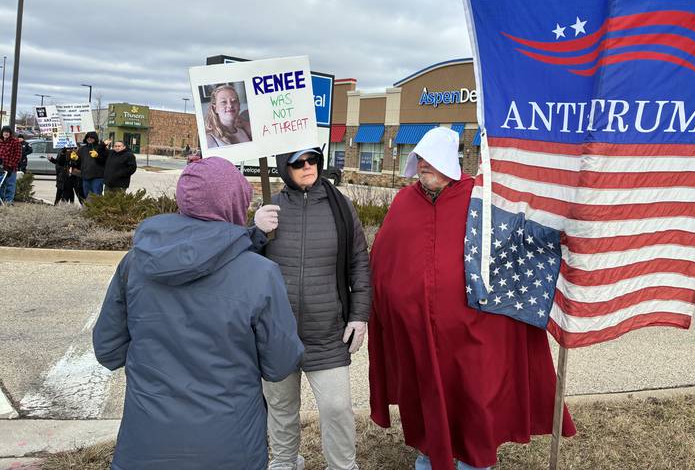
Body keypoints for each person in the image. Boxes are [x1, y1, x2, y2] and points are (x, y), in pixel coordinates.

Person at [368, 127, 576, 470]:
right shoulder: (404, 203)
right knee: (426, 400)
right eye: (420, 159)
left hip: (474, 332)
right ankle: (429, 457)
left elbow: (518, 240)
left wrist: (564, 229)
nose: (424, 166)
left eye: (432, 161)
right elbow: (383, 261)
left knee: (474, 401)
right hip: (418, 334)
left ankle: (474, 464)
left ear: (450, 163)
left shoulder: (479, 199)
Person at [93, 157, 304, 470]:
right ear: (235, 203)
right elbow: (280, 362)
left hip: (145, 446)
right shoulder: (261, 274)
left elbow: (108, 350)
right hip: (231, 447)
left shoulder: (135, 263)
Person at [251, 147, 371, 470]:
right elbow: (246, 264)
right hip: (278, 334)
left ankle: (343, 465)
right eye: (298, 163)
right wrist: (254, 232)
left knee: (336, 409)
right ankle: (285, 462)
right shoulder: (270, 206)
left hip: (327, 335)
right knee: (281, 408)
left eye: (313, 160)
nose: (308, 167)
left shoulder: (340, 207)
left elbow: (359, 261)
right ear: (283, 167)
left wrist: (359, 316)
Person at [78, 131, 107, 197]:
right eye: (88, 137)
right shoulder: (82, 149)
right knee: (87, 195)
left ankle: (97, 208)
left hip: (97, 177)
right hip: (85, 176)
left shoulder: (101, 148)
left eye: (91, 137)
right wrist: (75, 159)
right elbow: (78, 162)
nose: (89, 138)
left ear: (95, 138)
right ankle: (89, 208)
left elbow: (105, 160)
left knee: (97, 195)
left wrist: (98, 156)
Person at [0, 126, 22, 204]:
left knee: (10, 185)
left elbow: (18, 156)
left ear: (10, 133)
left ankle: (9, 201)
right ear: (2, 133)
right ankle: (1, 201)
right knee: (1, 185)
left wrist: (10, 166)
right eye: (4, 132)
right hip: (1, 168)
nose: (6, 133)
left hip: (11, 168)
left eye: (7, 132)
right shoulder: (0, 141)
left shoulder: (15, 142)